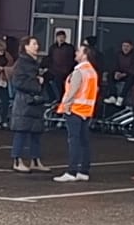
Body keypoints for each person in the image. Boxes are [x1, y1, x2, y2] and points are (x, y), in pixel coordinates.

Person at [53, 47, 98, 183]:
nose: (76, 53)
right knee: (84, 141)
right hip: (86, 110)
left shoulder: (79, 71)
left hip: (75, 109)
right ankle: (84, 170)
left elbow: (72, 91)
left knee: (74, 141)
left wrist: (65, 106)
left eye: (79, 51)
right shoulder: (92, 71)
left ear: (84, 55)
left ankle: (71, 171)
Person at [9, 36, 48, 173]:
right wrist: (37, 83)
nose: (37, 46)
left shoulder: (33, 63)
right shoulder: (21, 63)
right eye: (34, 44)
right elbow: (17, 82)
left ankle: (35, 160)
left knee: (36, 131)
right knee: (21, 131)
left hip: (35, 101)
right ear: (26, 47)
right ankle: (17, 160)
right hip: (25, 102)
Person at [45, 29, 75, 96]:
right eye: (59, 37)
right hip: (54, 71)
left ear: (65, 38)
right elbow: (49, 58)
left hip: (65, 71)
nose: (61, 39)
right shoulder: (53, 47)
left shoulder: (69, 48)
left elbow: (72, 59)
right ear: (56, 38)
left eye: (62, 37)